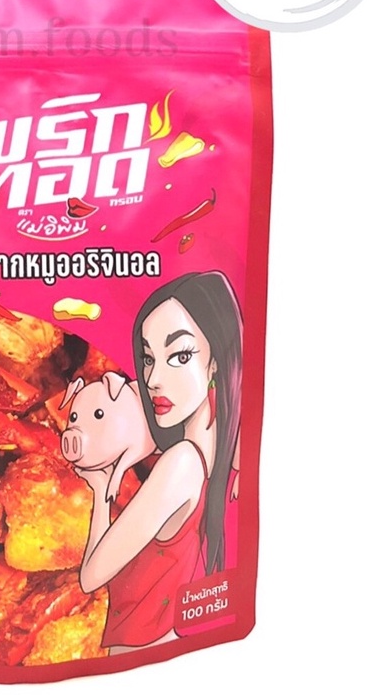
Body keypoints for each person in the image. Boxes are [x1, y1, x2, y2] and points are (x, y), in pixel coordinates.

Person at [75, 271, 242, 653]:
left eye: (180, 356)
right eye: (149, 358)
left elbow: (91, 576)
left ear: (215, 361)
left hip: (139, 656)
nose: (153, 379)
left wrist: (100, 493)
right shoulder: (226, 449)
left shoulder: (181, 463)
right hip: (172, 647)